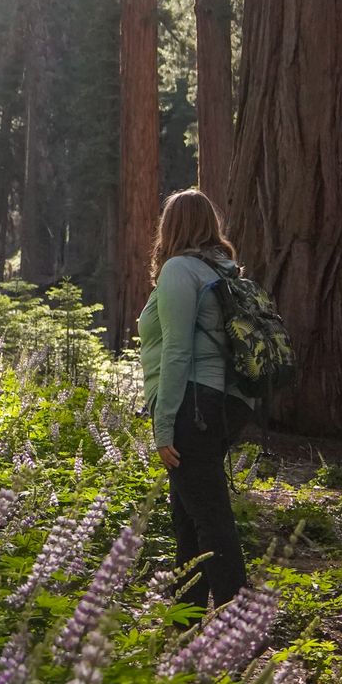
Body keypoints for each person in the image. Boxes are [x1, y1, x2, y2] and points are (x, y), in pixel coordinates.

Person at [138, 188, 255, 607]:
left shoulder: (179, 270)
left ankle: (237, 628)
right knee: (187, 518)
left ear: (170, 228)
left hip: (191, 406)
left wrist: (164, 422)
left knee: (210, 520)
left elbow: (177, 351)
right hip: (222, 404)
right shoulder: (224, 269)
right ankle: (184, 622)